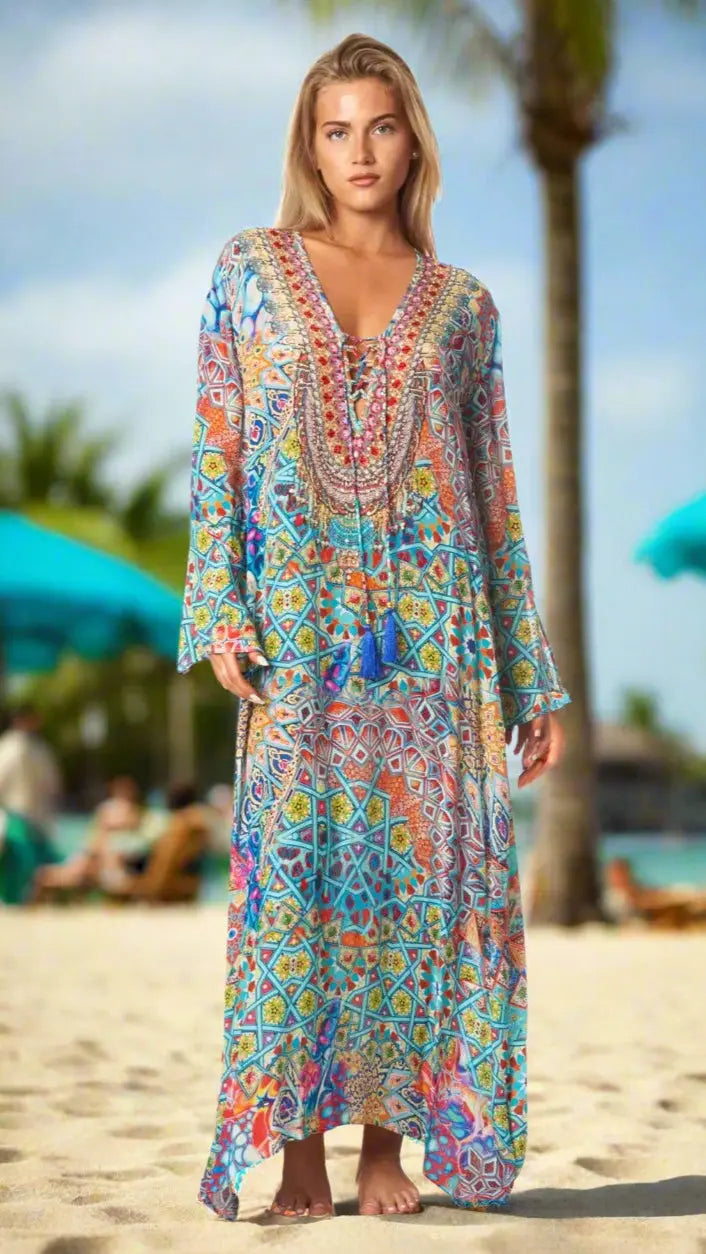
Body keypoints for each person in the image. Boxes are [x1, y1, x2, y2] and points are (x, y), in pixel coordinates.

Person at [176, 33, 571, 1223]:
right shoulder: (248, 270)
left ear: (413, 143)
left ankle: (385, 1149)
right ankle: (298, 1151)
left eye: (381, 127)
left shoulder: (466, 308)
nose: (360, 152)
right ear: (310, 142)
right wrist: (220, 606)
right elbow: (217, 453)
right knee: (294, 889)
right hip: (297, 628)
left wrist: (529, 673)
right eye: (336, 129)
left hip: (432, 639)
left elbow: (495, 497)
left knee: (417, 891)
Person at [30, 775, 166, 900]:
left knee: (79, 866)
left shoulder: (140, 825)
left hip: (111, 865)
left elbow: (138, 845)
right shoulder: (120, 824)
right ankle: (49, 881)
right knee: (79, 865)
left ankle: (49, 882)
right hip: (101, 863)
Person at [0, 702, 62, 841]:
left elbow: (52, 783)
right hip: (15, 815)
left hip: (36, 816)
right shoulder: (9, 747)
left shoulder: (38, 747)